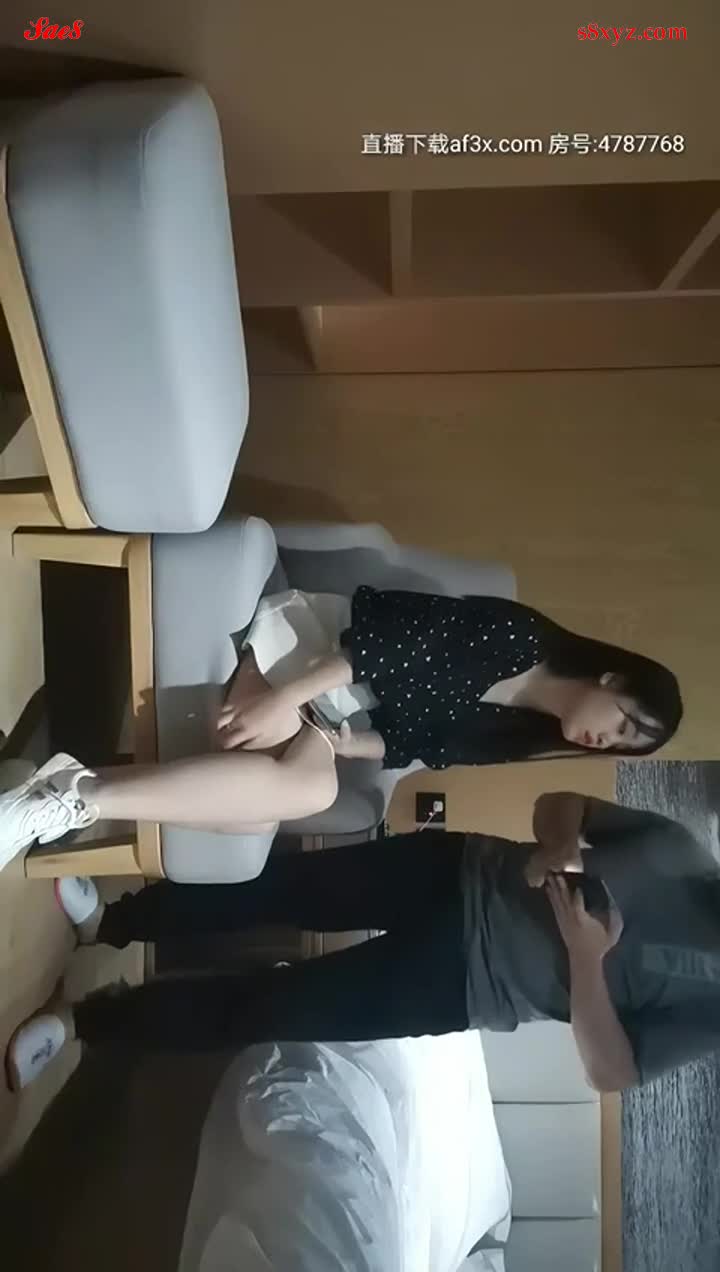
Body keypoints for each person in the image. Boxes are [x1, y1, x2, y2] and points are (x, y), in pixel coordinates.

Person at [7, 790, 719, 1093]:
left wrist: (586, 959)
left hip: (463, 985)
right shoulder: (681, 850)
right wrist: (558, 845)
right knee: (271, 889)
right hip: (456, 870)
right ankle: (112, 923)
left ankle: (86, 1020)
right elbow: (559, 806)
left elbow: (612, 1071)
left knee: (268, 1009)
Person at [0, 589, 682, 874]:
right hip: (319, 649)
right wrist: (285, 700)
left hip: (334, 711)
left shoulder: (521, 734)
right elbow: (379, 648)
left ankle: (69, 793)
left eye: (625, 746)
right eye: (625, 723)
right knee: (299, 794)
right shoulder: (516, 637)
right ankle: (75, 795)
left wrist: (342, 739)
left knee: (270, 808)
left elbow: (414, 746)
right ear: (612, 679)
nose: (609, 740)